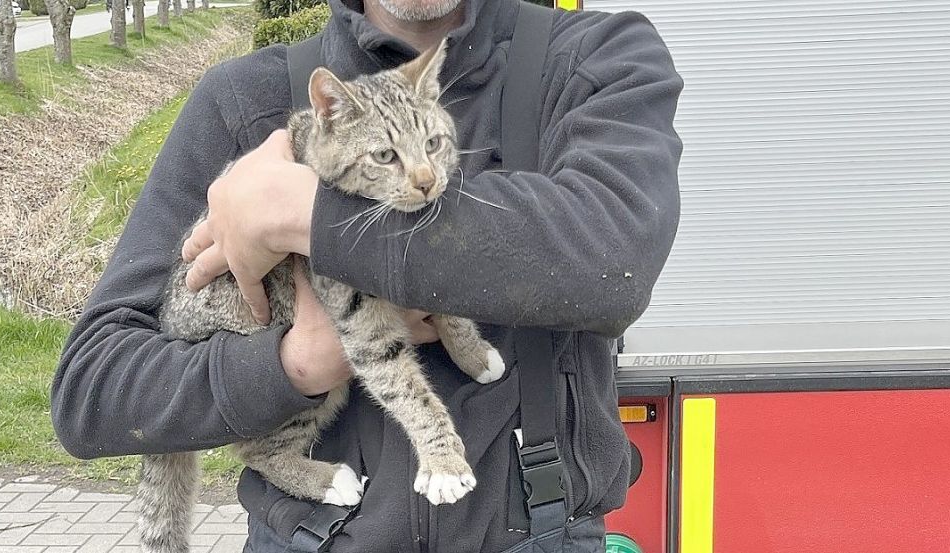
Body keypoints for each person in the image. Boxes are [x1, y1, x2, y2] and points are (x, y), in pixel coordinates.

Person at [50, 0, 683, 551]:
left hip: (543, 532)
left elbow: (611, 260)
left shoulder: (594, 57)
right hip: (307, 535)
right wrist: (294, 365)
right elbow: (92, 392)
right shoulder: (242, 101)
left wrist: (303, 214)